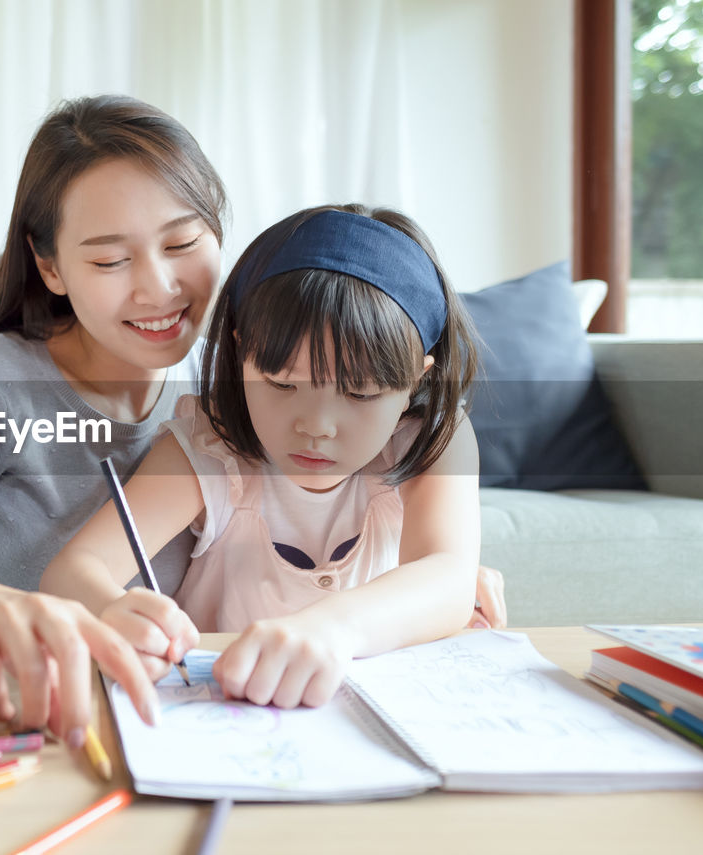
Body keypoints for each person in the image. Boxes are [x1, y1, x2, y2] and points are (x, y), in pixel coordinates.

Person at [0, 96, 506, 747]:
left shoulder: (241, 377)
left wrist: (418, 588)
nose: (159, 289)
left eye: (182, 243)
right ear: (50, 267)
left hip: (164, 717)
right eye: (111, 259)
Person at [40, 203, 483, 710]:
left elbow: (449, 576)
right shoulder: (209, 451)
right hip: (222, 716)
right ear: (241, 351)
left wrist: (330, 629)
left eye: (360, 394)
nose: (316, 426)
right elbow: (72, 571)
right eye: (281, 383)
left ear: (415, 382)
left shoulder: (431, 438)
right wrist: (113, 610)